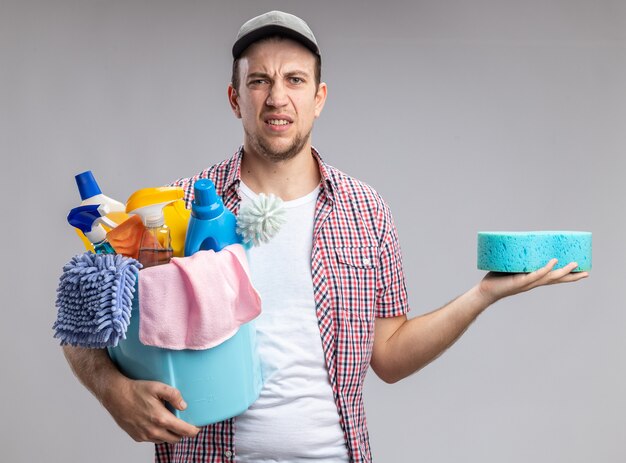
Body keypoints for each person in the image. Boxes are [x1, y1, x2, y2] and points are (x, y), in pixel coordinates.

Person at [62, 10, 589, 463]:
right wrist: (112, 391)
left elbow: (390, 355)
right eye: (258, 80)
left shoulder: (366, 211)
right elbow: (77, 320)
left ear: (319, 97)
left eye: (294, 80)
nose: (276, 97)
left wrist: (483, 295)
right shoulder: (170, 209)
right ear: (234, 97)